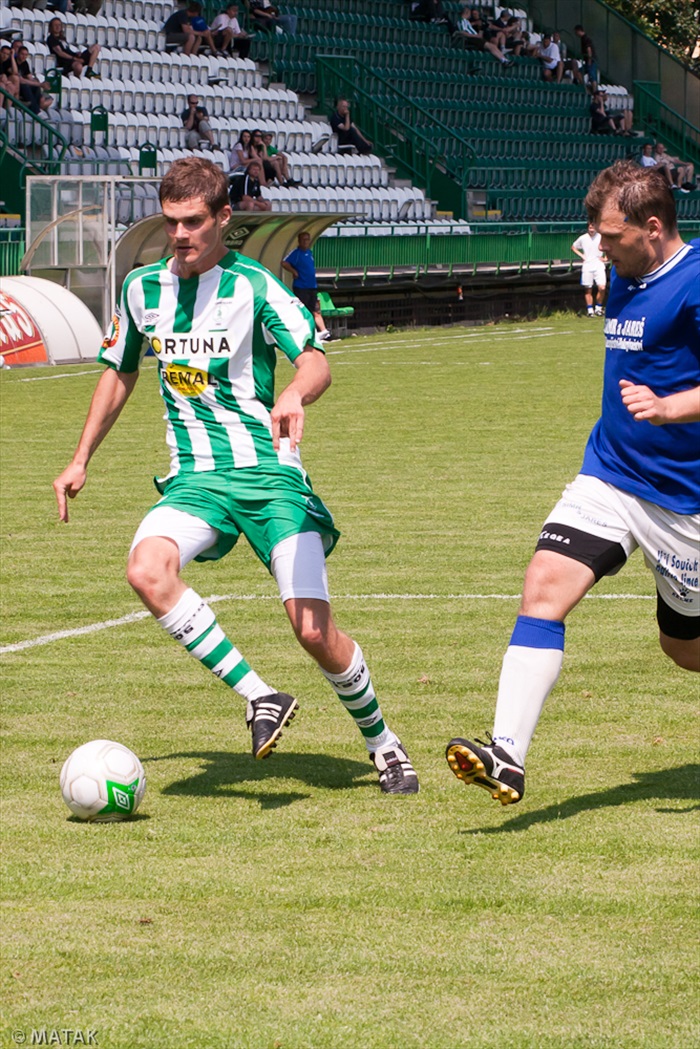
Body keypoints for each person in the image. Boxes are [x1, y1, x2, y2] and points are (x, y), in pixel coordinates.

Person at [52, 156, 418, 796]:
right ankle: (260, 697)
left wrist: (296, 395)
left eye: (194, 221)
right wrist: (81, 457)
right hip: (194, 476)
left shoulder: (253, 285)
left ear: (224, 218)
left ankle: (384, 745)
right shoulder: (142, 290)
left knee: (312, 629)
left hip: (271, 475)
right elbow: (119, 370)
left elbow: (314, 361)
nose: (181, 235)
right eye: (171, 223)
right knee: (146, 569)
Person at [445, 160, 700, 806]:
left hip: (683, 502)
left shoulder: (694, 282)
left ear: (652, 226)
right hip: (609, 473)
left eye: (610, 237)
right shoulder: (625, 267)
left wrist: (673, 407)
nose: (599, 247)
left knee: (683, 646)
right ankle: (507, 754)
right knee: (544, 584)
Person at [282, 232, 330, 341]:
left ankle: (324, 333)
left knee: (316, 310)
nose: (306, 242)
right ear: (299, 241)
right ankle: (305, 334)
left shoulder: (309, 252)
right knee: (303, 311)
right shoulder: (296, 253)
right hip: (301, 287)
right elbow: (284, 263)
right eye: (303, 239)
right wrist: (294, 271)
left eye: (307, 239)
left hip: (312, 286)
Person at [571, 221, 607, 317]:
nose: (592, 230)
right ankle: (590, 310)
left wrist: (606, 258)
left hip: (599, 265)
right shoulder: (583, 238)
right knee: (588, 289)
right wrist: (582, 256)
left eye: (593, 228)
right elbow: (573, 247)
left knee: (602, 287)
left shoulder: (601, 237)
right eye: (590, 228)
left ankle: (599, 308)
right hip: (587, 266)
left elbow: (609, 246)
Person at [571, 24, 598, 91]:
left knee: (592, 76)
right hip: (588, 61)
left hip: (591, 61)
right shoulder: (583, 39)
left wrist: (589, 61)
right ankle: (584, 88)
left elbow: (589, 50)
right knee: (579, 73)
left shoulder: (586, 39)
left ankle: (595, 91)